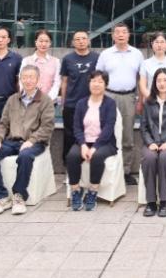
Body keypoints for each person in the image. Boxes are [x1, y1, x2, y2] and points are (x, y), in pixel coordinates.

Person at [0, 64, 55, 216]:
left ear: (37, 80)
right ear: (20, 79)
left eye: (31, 77)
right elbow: (3, 124)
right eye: (24, 77)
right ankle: (0, 197)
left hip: (35, 142)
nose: (28, 80)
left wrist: (31, 140)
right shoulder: (13, 99)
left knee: (25, 155)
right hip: (12, 141)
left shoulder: (45, 100)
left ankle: (19, 196)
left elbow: (47, 127)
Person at [96, 22, 144, 186]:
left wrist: (140, 100)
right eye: (117, 32)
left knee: (127, 135)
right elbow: (98, 77)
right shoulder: (105, 54)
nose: (121, 35)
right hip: (108, 96)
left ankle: (125, 171)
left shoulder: (137, 54)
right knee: (106, 133)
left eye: (124, 32)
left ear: (129, 35)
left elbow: (141, 79)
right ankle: (106, 169)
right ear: (113, 35)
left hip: (129, 97)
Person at [66, 70, 119, 212]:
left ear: (106, 85)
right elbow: (77, 127)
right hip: (84, 142)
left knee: (97, 156)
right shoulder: (81, 103)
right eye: (93, 81)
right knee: (72, 156)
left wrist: (95, 147)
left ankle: (93, 191)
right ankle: (76, 191)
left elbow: (108, 128)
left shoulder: (110, 103)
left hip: (105, 143)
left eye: (100, 82)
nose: (96, 84)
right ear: (89, 83)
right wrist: (83, 145)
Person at [139, 67, 166, 218]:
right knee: (149, 158)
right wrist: (150, 142)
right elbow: (143, 127)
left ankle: (164, 202)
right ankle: (151, 202)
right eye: (159, 80)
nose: (162, 83)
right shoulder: (148, 102)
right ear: (154, 83)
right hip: (151, 143)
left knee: (164, 158)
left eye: (165, 80)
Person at [59, 30, 99, 156]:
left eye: (83, 38)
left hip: (91, 103)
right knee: (69, 135)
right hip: (72, 103)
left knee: (90, 133)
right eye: (77, 39)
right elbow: (64, 81)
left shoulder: (97, 58)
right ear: (73, 42)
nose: (81, 41)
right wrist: (63, 102)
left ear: (88, 41)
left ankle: (89, 160)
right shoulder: (67, 59)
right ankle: (68, 162)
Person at [139, 31, 166, 100]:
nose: (159, 45)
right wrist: (153, 99)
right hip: (151, 101)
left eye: (162, 42)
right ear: (152, 44)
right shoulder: (145, 63)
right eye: (156, 42)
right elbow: (142, 86)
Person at [20, 29, 60, 97]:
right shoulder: (26, 61)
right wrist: (29, 97)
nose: (43, 44)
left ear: (50, 43)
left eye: (46, 41)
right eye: (41, 41)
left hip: (50, 101)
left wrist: (48, 99)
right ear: (36, 42)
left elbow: (57, 83)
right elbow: (21, 81)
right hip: (29, 99)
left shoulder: (56, 61)